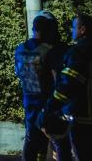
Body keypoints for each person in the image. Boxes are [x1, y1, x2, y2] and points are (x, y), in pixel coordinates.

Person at [42, 15, 92, 161]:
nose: (71, 30)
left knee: (81, 156)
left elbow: (67, 85)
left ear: (82, 30)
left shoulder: (77, 53)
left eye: (74, 26)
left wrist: (49, 108)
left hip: (81, 116)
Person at [15, 11, 63, 161]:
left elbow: (18, 72)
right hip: (47, 101)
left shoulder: (20, 49)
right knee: (55, 140)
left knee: (31, 139)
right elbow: (57, 78)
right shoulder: (49, 50)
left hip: (29, 100)